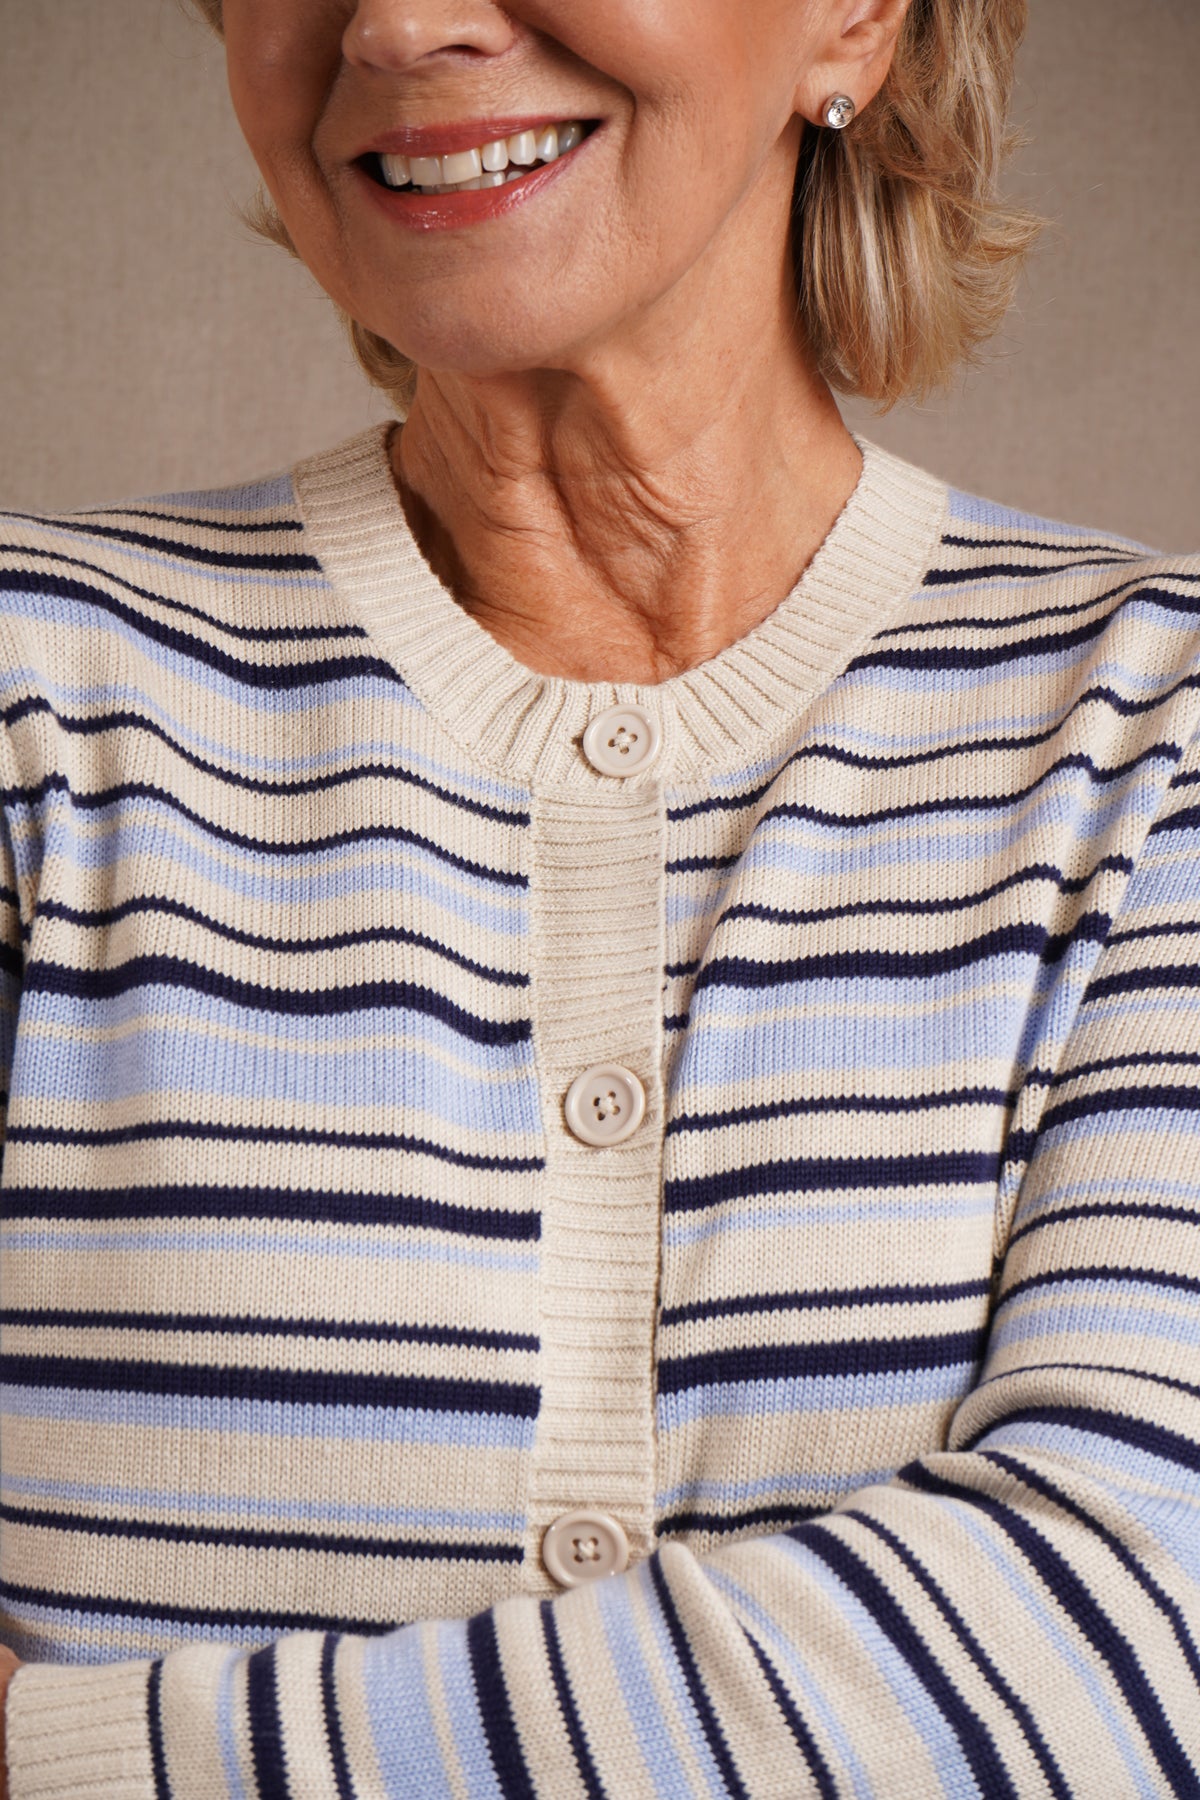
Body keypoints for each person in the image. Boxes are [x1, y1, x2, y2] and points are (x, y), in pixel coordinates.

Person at [0, 0, 1197, 1792]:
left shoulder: (1154, 728)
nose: (398, 20)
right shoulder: (35, 696)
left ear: (856, 19)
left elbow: (1126, 1641)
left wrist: (66, 1758)